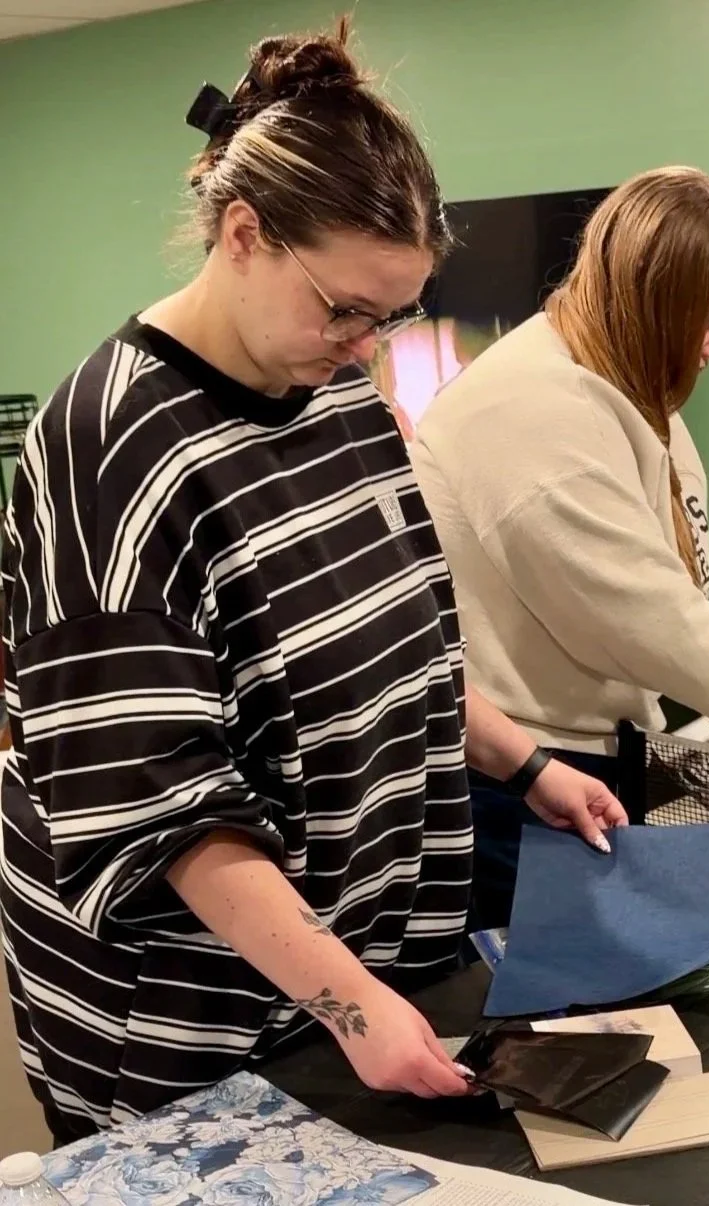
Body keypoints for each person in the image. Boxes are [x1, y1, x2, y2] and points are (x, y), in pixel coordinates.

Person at [0, 21, 625, 1142]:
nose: (363, 345)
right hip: (189, 1019)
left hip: (358, 968)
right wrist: (345, 1001)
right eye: (344, 309)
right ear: (242, 234)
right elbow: (165, 811)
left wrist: (524, 761)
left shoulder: (338, 396)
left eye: (390, 317)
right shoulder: (109, 449)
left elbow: (395, 650)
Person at [411, 167, 709, 930]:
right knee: (557, 1017)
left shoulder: (621, 380)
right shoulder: (534, 410)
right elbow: (644, 612)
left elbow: (678, 584)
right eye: (707, 323)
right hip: (519, 780)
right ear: (648, 307)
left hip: (596, 748)